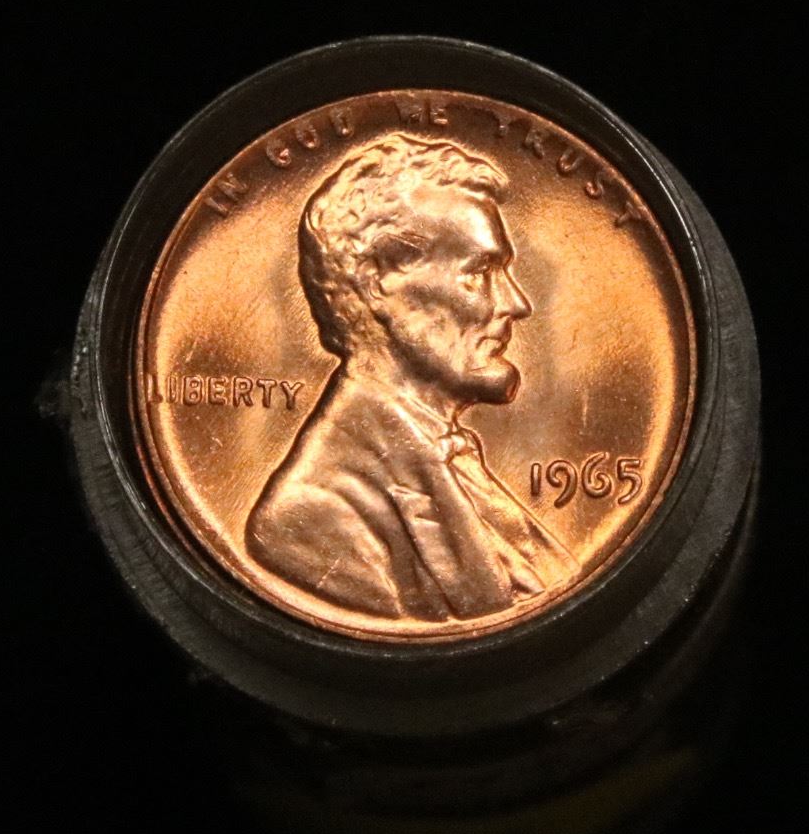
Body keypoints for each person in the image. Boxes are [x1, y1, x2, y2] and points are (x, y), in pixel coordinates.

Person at [246, 133, 576, 619]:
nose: (516, 303)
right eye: (479, 271)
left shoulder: (452, 462)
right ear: (378, 281)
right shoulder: (310, 515)